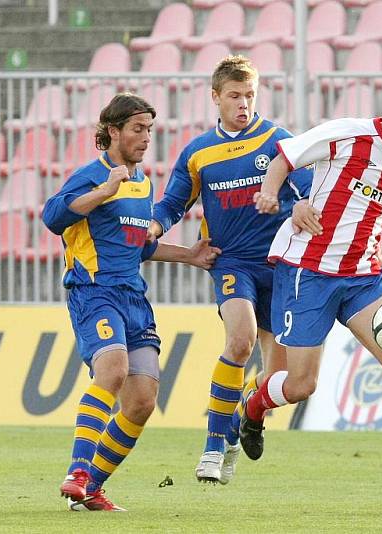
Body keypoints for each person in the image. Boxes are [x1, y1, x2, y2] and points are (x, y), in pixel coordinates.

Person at [243, 78, 382, 512]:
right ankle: (253, 407)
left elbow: (366, 216)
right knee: (302, 384)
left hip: (362, 277)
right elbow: (284, 158)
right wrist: (276, 195)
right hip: (310, 271)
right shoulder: (349, 133)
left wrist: (379, 264)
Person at [42, 92, 221, 512]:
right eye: (138, 129)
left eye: (149, 130)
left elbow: (137, 246)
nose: (145, 138)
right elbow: (53, 217)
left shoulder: (143, 183)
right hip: (93, 291)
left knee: (141, 402)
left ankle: (91, 488)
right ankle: (77, 471)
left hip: (134, 298)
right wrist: (103, 191)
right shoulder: (92, 175)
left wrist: (189, 256)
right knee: (114, 368)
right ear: (112, 132)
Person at [149, 55, 312, 485]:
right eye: (235, 96)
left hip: (279, 264)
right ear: (216, 97)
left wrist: (301, 206)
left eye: (250, 95)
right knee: (239, 342)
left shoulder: (279, 142)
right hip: (231, 262)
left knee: (279, 377)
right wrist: (154, 224)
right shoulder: (199, 152)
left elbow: (311, 192)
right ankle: (212, 447)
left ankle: (241, 417)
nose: (243, 104)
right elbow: (172, 204)